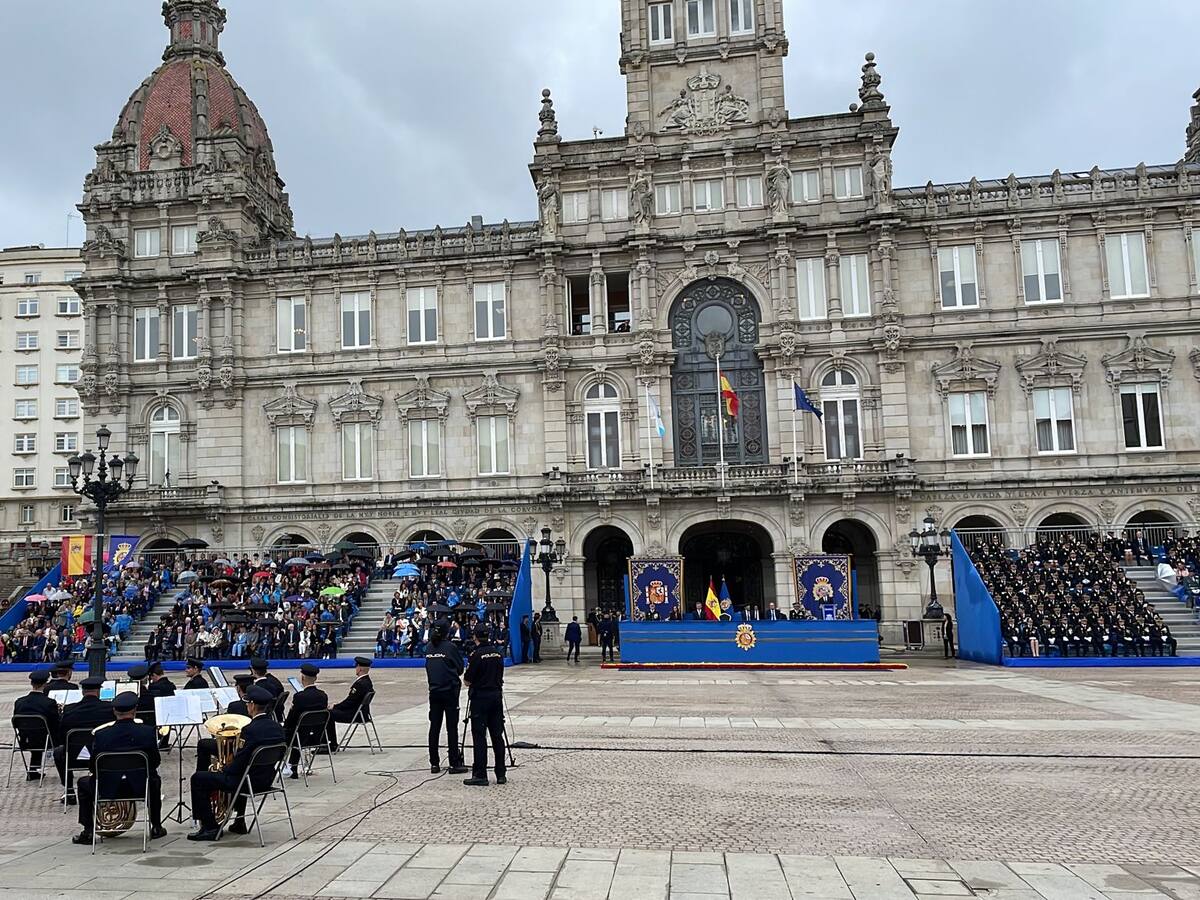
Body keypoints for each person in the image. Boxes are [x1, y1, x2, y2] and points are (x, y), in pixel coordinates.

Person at [188, 686, 285, 841]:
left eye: (248, 704)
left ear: (252, 705)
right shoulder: (278, 728)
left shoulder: (250, 730)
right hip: (266, 780)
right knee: (243, 773)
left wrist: (222, 769)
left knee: (198, 779)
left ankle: (210, 827)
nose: (247, 706)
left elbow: (240, 763)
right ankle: (239, 821)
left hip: (248, 782)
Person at [73, 691, 166, 845]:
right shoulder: (147, 732)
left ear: (114, 711)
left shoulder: (101, 734)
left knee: (83, 784)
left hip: (106, 788)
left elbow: (93, 766)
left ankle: (88, 831)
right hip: (141, 787)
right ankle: (156, 826)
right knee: (154, 780)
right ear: (135, 710)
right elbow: (155, 762)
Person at [54, 675, 115, 803]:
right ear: (99, 691)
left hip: (75, 758)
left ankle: (69, 790)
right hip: (103, 757)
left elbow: (61, 736)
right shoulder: (109, 709)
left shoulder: (69, 709)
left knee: (59, 752)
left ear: (82, 692)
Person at [462, 624, 506, 787]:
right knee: (497, 735)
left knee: (480, 736)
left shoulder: (476, 655)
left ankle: (480, 774)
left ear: (475, 637)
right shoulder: (498, 653)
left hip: (480, 698)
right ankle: (501, 773)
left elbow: (467, 680)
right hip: (496, 696)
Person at [424, 623, 467, 775]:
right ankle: (454, 762)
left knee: (434, 727)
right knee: (451, 728)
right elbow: (460, 668)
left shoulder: (429, 647)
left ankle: (434, 763)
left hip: (434, 691)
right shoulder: (450, 647)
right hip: (449, 691)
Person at [196, 674, 254, 772]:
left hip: (234, 747)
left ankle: (202, 772)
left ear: (238, 688)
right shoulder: (262, 704)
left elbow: (227, 729)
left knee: (203, 744)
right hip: (251, 746)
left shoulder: (234, 706)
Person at [13, 668, 60, 781]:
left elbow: (16, 723)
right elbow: (56, 723)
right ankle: (68, 769)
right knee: (59, 734)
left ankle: (33, 770)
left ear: (31, 683)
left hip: (25, 740)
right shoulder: (49, 702)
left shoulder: (19, 702)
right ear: (45, 684)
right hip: (46, 741)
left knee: (35, 731)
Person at [283, 662, 328, 779]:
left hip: (299, 737)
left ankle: (288, 766)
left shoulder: (300, 697)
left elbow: (291, 720)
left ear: (302, 678)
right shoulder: (323, 696)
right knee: (300, 730)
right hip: (318, 736)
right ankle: (292, 767)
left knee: (291, 731)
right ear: (316, 678)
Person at [328, 656, 374, 750]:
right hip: (362, 713)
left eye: (356, 666)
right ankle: (330, 742)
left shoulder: (360, 684)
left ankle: (330, 743)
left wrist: (335, 706)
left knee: (327, 713)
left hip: (354, 714)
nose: (355, 668)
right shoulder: (367, 681)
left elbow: (350, 702)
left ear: (359, 668)